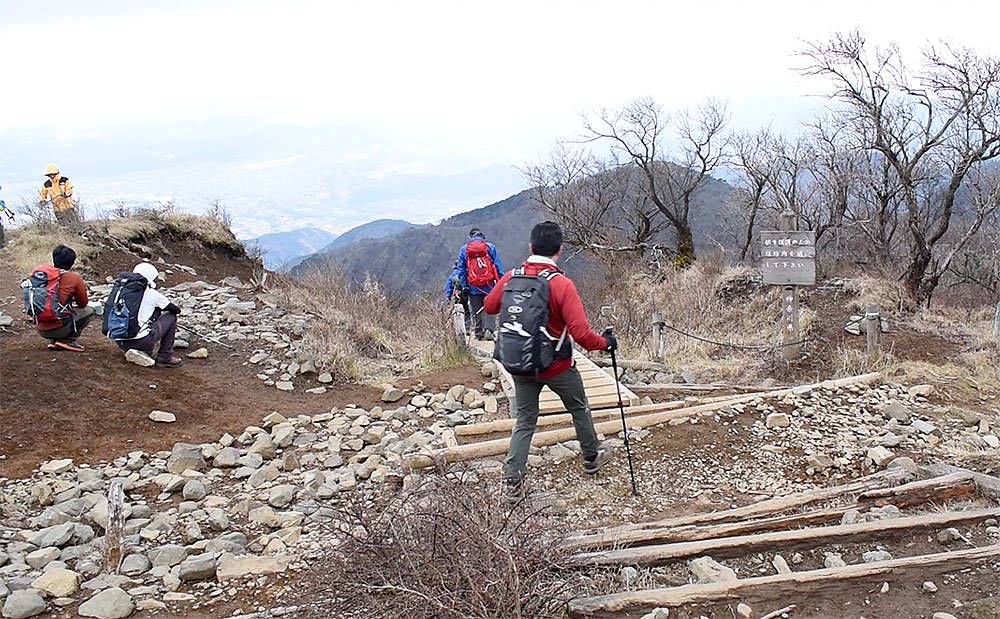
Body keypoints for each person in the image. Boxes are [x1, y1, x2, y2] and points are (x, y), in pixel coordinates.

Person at [485, 221, 617, 501]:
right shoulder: (561, 284)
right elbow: (581, 334)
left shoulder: (511, 276)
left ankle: (512, 481)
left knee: (525, 420)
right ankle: (591, 458)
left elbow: (489, 306)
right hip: (556, 366)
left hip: (519, 363)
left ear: (530, 248)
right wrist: (606, 343)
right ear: (559, 250)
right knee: (579, 408)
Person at [113, 262, 184, 368]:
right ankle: (165, 356)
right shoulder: (151, 293)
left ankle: (144, 349)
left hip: (119, 339)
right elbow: (175, 310)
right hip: (140, 341)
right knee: (171, 317)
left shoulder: (119, 289)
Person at [32, 245, 94, 352]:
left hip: (40, 328)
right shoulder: (74, 278)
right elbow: (83, 303)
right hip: (60, 328)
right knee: (88, 311)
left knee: (55, 310)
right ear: (72, 262)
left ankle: (53, 341)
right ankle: (67, 340)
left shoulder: (42, 276)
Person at [457, 227, 503, 340]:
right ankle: (490, 330)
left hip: (473, 285)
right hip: (489, 285)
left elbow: (461, 269)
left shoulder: (464, 249)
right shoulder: (490, 247)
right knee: (490, 307)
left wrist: (464, 285)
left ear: (470, 237)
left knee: (476, 309)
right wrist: (501, 281)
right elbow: (498, 266)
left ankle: (479, 333)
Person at [445, 260, 472, 333]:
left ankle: (458, 330)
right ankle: (467, 328)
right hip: (465, 295)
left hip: (456, 296)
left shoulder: (452, 276)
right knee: (466, 311)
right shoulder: (466, 274)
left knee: (456, 312)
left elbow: (449, 288)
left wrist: (448, 298)